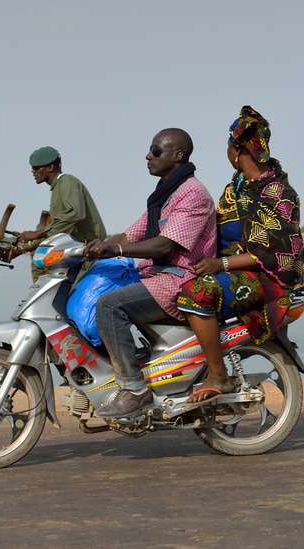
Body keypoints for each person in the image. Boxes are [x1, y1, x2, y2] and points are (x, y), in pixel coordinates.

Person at [85, 129, 217, 418]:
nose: (148, 155)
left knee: (109, 305)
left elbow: (164, 245)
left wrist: (117, 251)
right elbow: (133, 234)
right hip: (157, 274)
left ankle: (134, 390)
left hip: (179, 279)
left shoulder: (192, 193)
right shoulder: (164, 194)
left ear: (178, 156)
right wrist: (95, 247)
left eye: (156, 150)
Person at [177, 106, 304, 403]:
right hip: (229, 269)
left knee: (195, 293)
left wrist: (218, 263)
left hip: (266, 277)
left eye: (228, 145)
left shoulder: (279, 193)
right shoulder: (237, 187)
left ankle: (219, 375)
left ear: (237, 149)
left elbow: (273, 251)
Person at [17, 146, 107, 282]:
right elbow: (59, 229)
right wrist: (24, 247)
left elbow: (75, 214)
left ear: (51, 167)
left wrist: (38, 233)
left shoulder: (67, 181)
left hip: (88, 251)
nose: (33, 172)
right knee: (38, 265)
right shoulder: (58, 187)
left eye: (36, 168)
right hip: (76, 252)